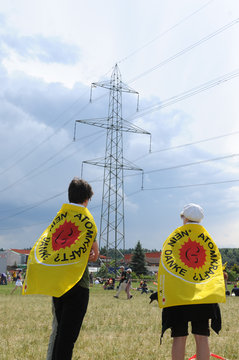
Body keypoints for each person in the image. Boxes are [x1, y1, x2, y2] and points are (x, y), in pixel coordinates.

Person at [23, 178, 99, 360]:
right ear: (87, 200)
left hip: (58, 285)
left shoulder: (59, 218)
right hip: (78, 284)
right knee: (68, 338)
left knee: (59, 334)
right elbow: (94, 254)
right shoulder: (88, 221)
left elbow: (48, 245)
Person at [158, 203, 225, 360]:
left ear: (185, 218)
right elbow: (214, 268)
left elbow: (165, 266)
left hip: (179, 295)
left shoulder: (173, 238)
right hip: (202, 295)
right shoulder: (208, 240)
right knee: (202, 336)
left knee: (179, 336)